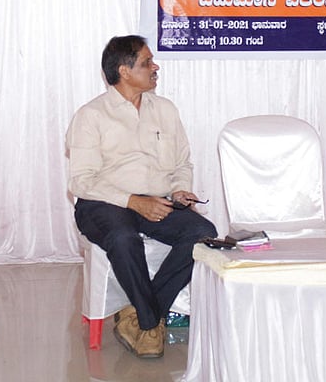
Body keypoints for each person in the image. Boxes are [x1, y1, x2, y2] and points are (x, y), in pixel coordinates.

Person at [65, 35, 216, 359]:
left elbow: (182, 162)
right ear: (124, 71)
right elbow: (81, 182)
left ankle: (139, 317)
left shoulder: (164, 109)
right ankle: (151, 322)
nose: (155, 67)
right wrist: (133, 201)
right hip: (103, 203)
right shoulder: (91, 115)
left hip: (157, 197)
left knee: (203, 234)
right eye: (147, 62)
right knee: (123, 238)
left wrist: (179, 189)